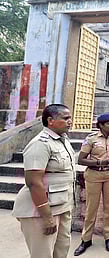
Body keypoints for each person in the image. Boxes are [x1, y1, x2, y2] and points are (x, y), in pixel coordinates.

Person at [12, 104, 75, 258]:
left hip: (62, 206)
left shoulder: (63, 140)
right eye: (65, 118)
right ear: (50, 120)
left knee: (61, 251)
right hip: (42, 211)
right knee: (42, 254)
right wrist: (47, 217)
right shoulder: (40, 144)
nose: (70, 121)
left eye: (70, 118)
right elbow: (34, 182)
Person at [73, 113, 109, 256]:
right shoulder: (91, 139)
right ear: (101, 125)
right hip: (94, 175)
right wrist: (99, 162)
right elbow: (81, 160)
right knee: (91, 208)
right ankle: (86, 240)